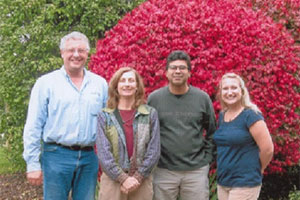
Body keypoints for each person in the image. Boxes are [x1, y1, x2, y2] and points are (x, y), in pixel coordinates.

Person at [23, 31, 108, 200]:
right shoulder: (46, 83)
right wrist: (32, 163)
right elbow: (33, 125)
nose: (76, 55)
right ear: (62, 53)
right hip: (56, 155)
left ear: (87, 54)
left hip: (88, 157)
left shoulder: (100, 84)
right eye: (71, 50)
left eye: (81, 50)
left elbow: (107, 124)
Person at [147, 50, 216, 200]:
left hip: (195, 171)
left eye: (182, 68)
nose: (177, 71)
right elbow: (147, 133)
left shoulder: (202, 98)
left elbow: (212, 131)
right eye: (173, 67)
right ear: (166, 72)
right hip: (163, 170)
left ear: (189, 73)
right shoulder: (154, 99)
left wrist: (206, 159)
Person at [96, 67, 160, 200]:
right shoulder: (105, 116)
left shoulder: (149, 114)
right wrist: (123, 178)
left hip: (141, 182)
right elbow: (103, 153)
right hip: (113, 182)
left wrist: (137, 177)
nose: (127, 84)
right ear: (116, 86)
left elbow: (154, 150)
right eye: (122, 81)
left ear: (137, 86)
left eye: (131, 80)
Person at [213, 72, 274, 200]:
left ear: (242, 90)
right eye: (225, 88)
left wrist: (258, 168)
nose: (230, 92)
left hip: (245, 183)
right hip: (224, 182)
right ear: (220, 92)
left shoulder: (250, 115)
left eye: (234, 87)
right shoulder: (223, 115)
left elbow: (267, 149)